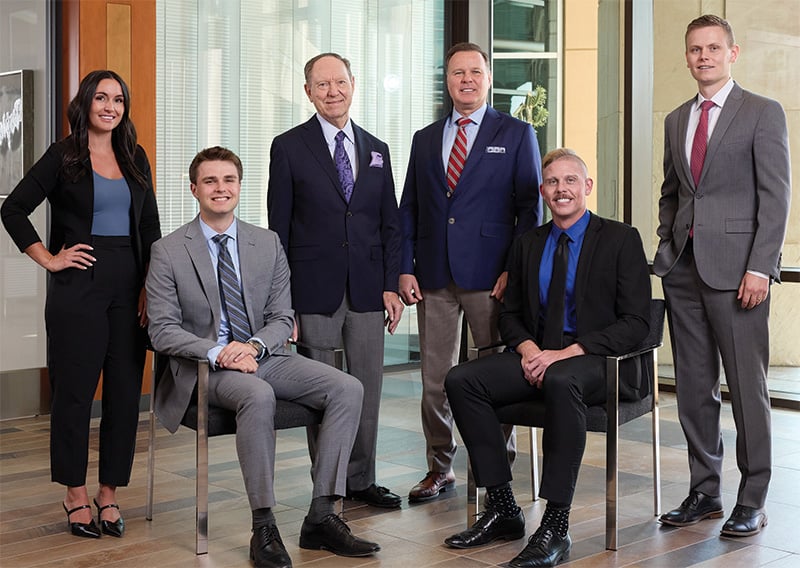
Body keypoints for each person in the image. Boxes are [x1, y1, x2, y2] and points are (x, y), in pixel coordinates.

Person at [146, 146, 380, 568]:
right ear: (194, 188)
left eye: (229, 180)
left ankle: (323, 515)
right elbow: (162, 330)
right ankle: (264, 525)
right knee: (256, 395)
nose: (221, 189)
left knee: (347, 387)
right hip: (206, 366)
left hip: (261, 354)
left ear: (239, 186)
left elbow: (281, 316)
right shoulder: (168, 251)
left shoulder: (266, 243)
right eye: (211, 181)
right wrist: (221, 351)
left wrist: (252, 346)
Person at [443, 149, 651, 567]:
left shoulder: (620, 238)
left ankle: (556, 525)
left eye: (571, 180)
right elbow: (512, 314)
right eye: (553, 182)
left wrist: (568, 352)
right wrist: (529, 349)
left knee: (561, 380)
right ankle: (503, 508)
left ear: (587, 187)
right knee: (462, 380)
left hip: (600, 360)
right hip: (541, 355)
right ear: (543, 191)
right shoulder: (529, 243)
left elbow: (637, 322)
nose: (562, 190)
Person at [1, 70, 160, 539]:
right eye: (101, 97)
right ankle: (74, 492)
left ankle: (108, 493)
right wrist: (50, 258)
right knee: (74, 393)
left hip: (130, 285)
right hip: (79, 287)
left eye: (118, 99)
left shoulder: (135, 157)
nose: (110, 106)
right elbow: (13, 209)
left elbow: (149, 227)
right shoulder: (64, 155)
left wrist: (151, 285)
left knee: (126, 394)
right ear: (86, 103)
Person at [654, 14, 791, 537]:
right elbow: (673, 191)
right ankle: (704, 491)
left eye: (713, 47)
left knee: (747, 389)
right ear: (687, 57)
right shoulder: (674, 119)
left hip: (739, 276)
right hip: (683, 271)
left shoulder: (762, 112)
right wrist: (666, 244)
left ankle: (752, 498)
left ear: (733, 54)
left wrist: (761, 266)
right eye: (695, 49)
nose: (703, 56)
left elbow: (776, 197)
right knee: (693, 387)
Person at [398, 42, 542, 502]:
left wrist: (513, 273)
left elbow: (529, 212)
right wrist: (405, 269)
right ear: (447, 79)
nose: (466, 80)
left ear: (487, 76)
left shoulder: (517, 134)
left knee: (493, 377)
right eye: (457, 73)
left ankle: (493, 471)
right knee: (435, 379)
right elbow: (410, 210)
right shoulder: (424, 138)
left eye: (474, 72)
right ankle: (440, 467)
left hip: (491, 278)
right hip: (435, 275)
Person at [267, 53, 403, 509]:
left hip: (367, 290)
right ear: (308, 91)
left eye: (340, 82)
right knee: (323, 392)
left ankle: (361, 479)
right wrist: (282, 308)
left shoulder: (378, 148)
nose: (332, 91)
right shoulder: (288, 147)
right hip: (312, 291)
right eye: (321, 84)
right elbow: (277, 233)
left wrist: (390, 284)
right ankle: (330, 485)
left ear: (353, 84)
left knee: (367, 387)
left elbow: (390, 225)